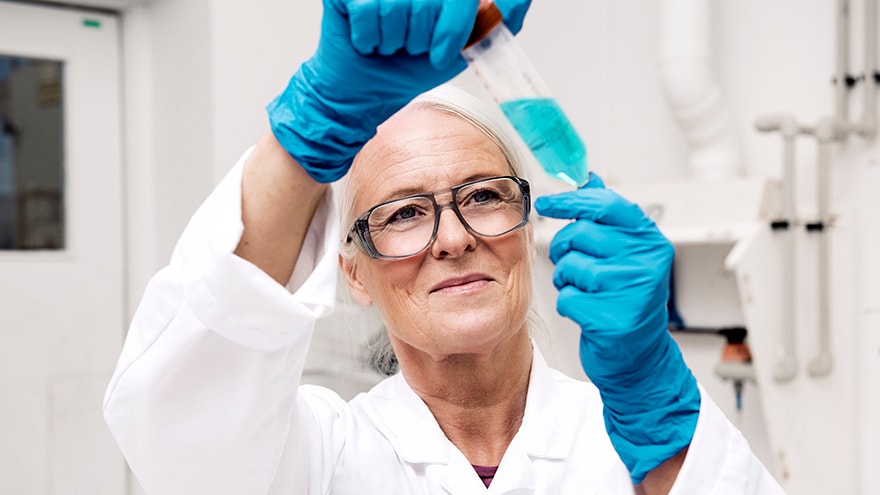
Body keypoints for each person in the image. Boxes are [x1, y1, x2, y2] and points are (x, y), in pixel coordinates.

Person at [103, 1, 785, 493]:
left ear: (526, 227)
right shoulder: (319, 458)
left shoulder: (632, 439)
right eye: (403, 213)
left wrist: (654, 401)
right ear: (355, 273)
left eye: (484, 196)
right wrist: (315, 123)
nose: (454, 238)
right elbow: (186, 425)